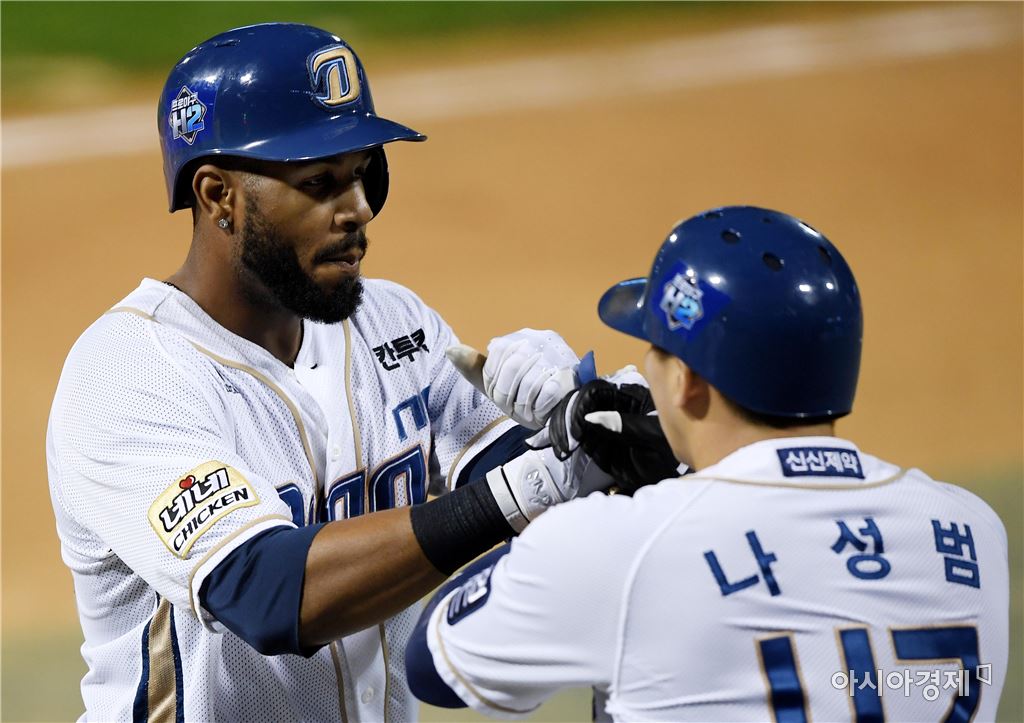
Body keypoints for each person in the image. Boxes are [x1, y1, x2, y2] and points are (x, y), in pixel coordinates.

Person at [46, 23, 593, 722]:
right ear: (218, 196)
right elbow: (266, 591)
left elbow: (526, 482)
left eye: (363, 173)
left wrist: (582, 426)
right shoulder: (128, 373)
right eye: (318, 183)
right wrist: (526, 489)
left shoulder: (391, 320)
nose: (358, 209)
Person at [406, 206, 1009, 721]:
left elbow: (433, 663)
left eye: (654, 348)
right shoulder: (972, 529)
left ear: (687, 381)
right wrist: (678, 474)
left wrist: (572, 487)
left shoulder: (618, 547)